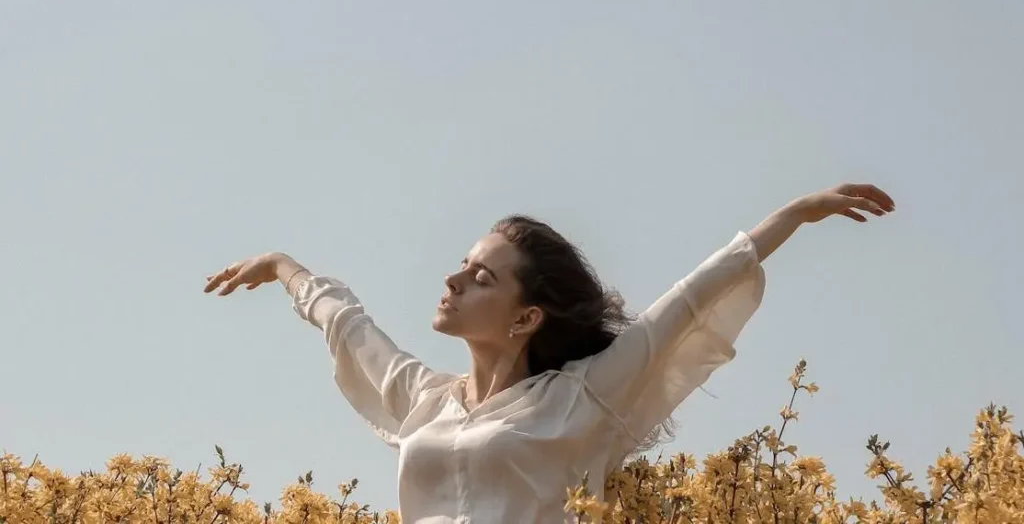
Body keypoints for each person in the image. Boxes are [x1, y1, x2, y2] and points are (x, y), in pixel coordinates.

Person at [204, 183, 894, 523]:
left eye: (481, 278)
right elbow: (350, 329)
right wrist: (284, 266)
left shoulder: (579, 400)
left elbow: (684, 304)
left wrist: (794, 215)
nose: (451, 280)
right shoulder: (427, 400)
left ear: (527, 317)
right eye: (462, 264)